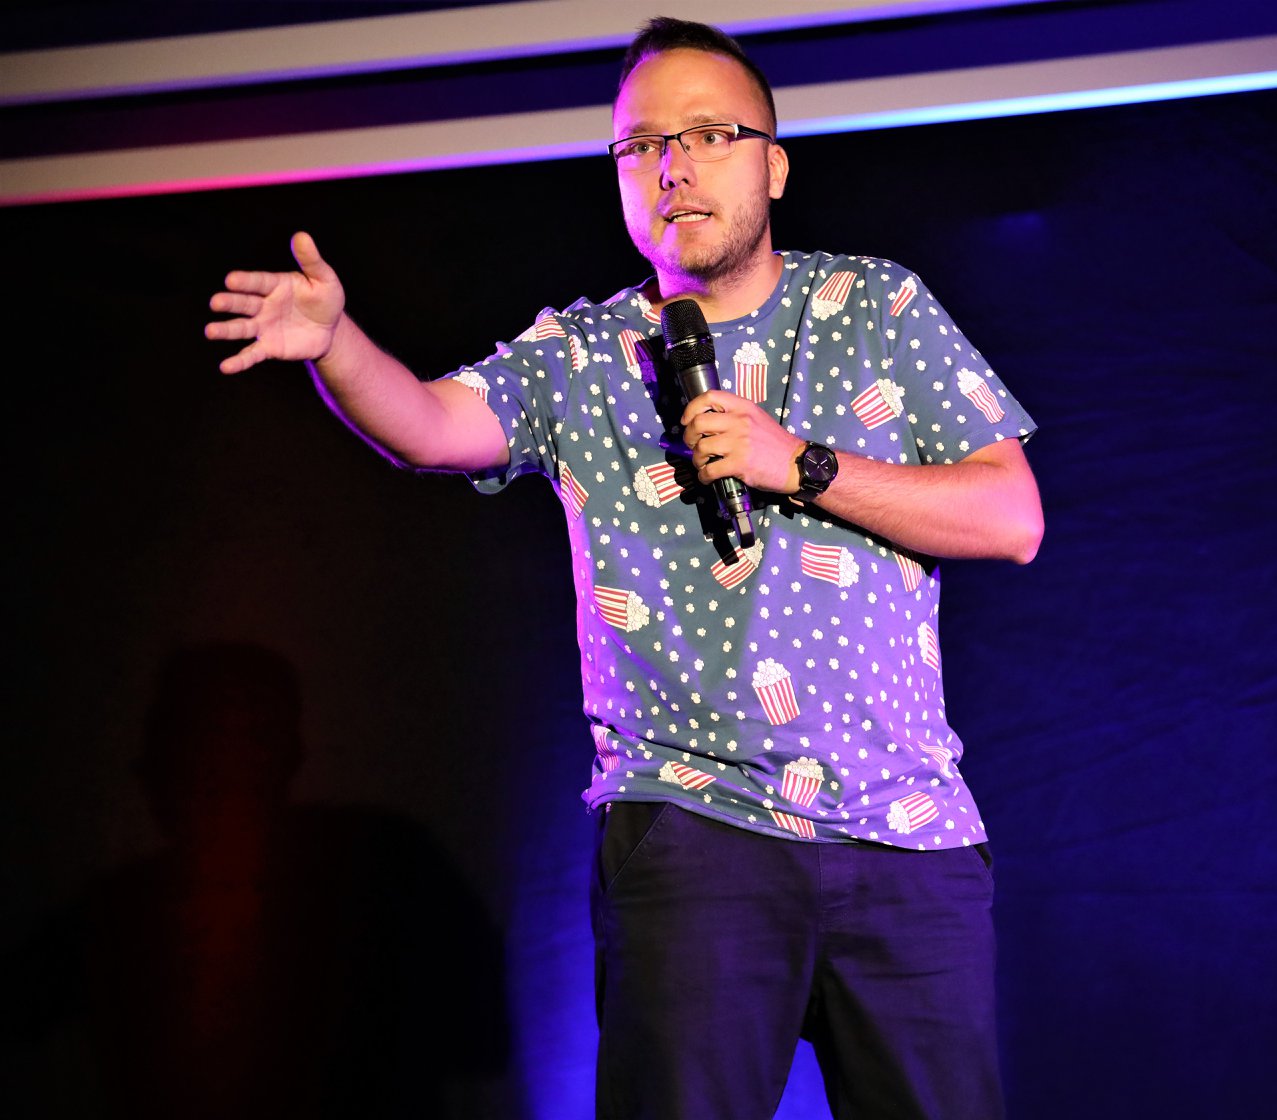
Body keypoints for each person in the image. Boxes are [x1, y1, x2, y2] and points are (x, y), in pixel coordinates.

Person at [206, 16, 1041, 1119]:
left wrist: (799, 464)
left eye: (708, 135)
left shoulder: (878, 306)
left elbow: (1010, 515)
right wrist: (338, 344)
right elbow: (429, 427)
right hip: (694, 824)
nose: (673, 166)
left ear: (774, 166)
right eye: (642, 145)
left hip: (908, 834)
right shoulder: (582, 352)